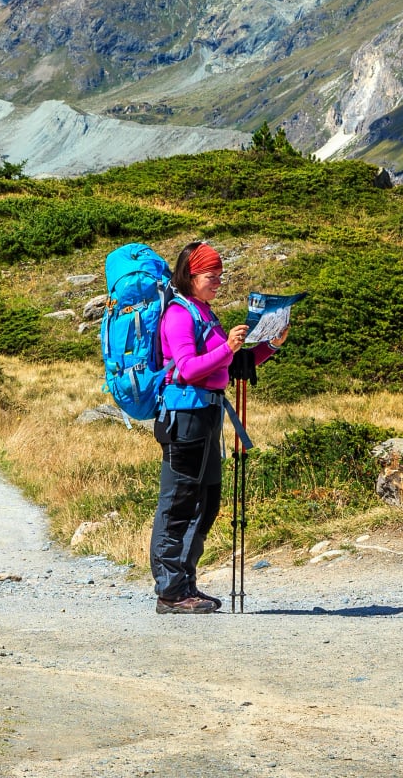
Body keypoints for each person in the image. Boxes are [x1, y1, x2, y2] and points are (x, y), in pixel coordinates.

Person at [150, 241, 257, 615]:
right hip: (184, 419)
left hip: (207, 417)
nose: (218, 282)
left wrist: (270, 346)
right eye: (212, 276)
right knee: (178, 504)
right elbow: (188, 369)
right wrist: (228, 348)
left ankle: (184, 584)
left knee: (206, 503)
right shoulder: (179, 315)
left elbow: (226, 364)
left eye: (220, 276)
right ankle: (169, 593)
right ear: (190, 275)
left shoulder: (204, 312)